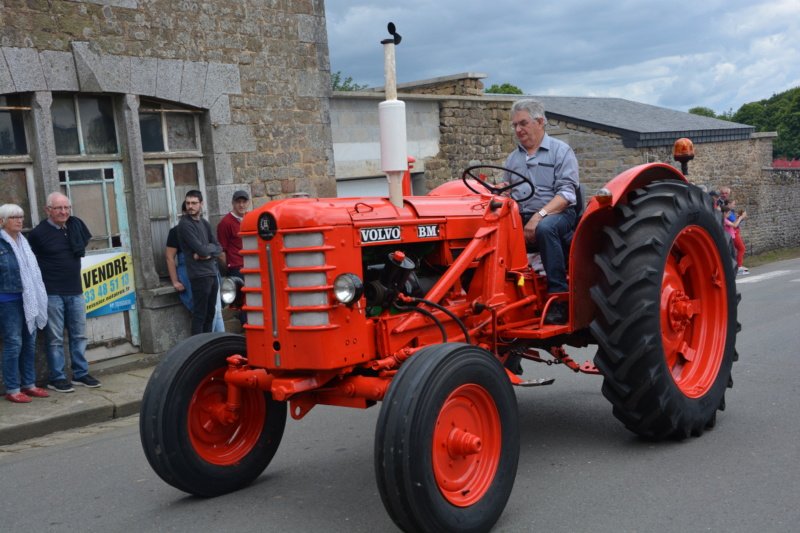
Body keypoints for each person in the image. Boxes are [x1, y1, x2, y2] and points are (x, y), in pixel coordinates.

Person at [502, 99, 580, 324]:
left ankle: (559, 300)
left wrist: (539, 216)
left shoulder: (561, 151)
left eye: (523, 123)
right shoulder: (513, 158)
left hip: (558, 214)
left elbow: (567, 195)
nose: (518, 129)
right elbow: (506, 191)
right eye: (515, 125)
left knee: (545, 229)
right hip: (522, 215)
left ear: (539, 122)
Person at [28, 192, 101, 393]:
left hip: (76, 291)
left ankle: (80, 374)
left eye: (66, 207)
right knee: (55, 338)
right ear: (47, 210)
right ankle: (57, 378)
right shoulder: (38, 233)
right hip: (52, 293)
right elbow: (28, 263)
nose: (63, 212)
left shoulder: (75, 227)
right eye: (58, 208)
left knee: (79, 336)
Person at [1, 204, 50, 403]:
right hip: (7, 301)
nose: (19, 220)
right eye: (13, 217)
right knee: (13, 344)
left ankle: (29, 384)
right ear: (2, 221)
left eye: (20, 216)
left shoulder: (24, 242)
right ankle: (12, 389)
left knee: (29, 344)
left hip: (29, 299)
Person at [166, 202, 225, 332]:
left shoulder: (203, 226)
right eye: (187, 210)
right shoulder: (176, 231)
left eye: (194, 205)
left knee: (216, 311)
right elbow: (170, 257)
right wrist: (175, 280)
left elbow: (215, 247)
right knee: (201, 312)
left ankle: (217, 342)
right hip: (192, 271)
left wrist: (207, 252)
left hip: (210, 269)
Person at [217, 190, 250, 280]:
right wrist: (230, 266)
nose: (241, 205)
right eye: (238, 202)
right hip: (237, 268)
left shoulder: (251, 218)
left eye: (244, 202)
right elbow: (221, 252)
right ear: (232, 203)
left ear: (249, 203)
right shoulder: (225, 222)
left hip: (252, 264)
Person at [725, 199, 748, 275]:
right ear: (728, 204)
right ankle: (738, 266)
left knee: (735, 250)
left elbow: (736, 222)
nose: (734, 206)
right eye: (733, 204)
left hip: (735, 232)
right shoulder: (728, 214)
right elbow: (735, 224)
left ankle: (738, 266)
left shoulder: (730, 213)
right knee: (741, 248)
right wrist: (741, 217)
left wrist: (740, 218)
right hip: (734, 233)